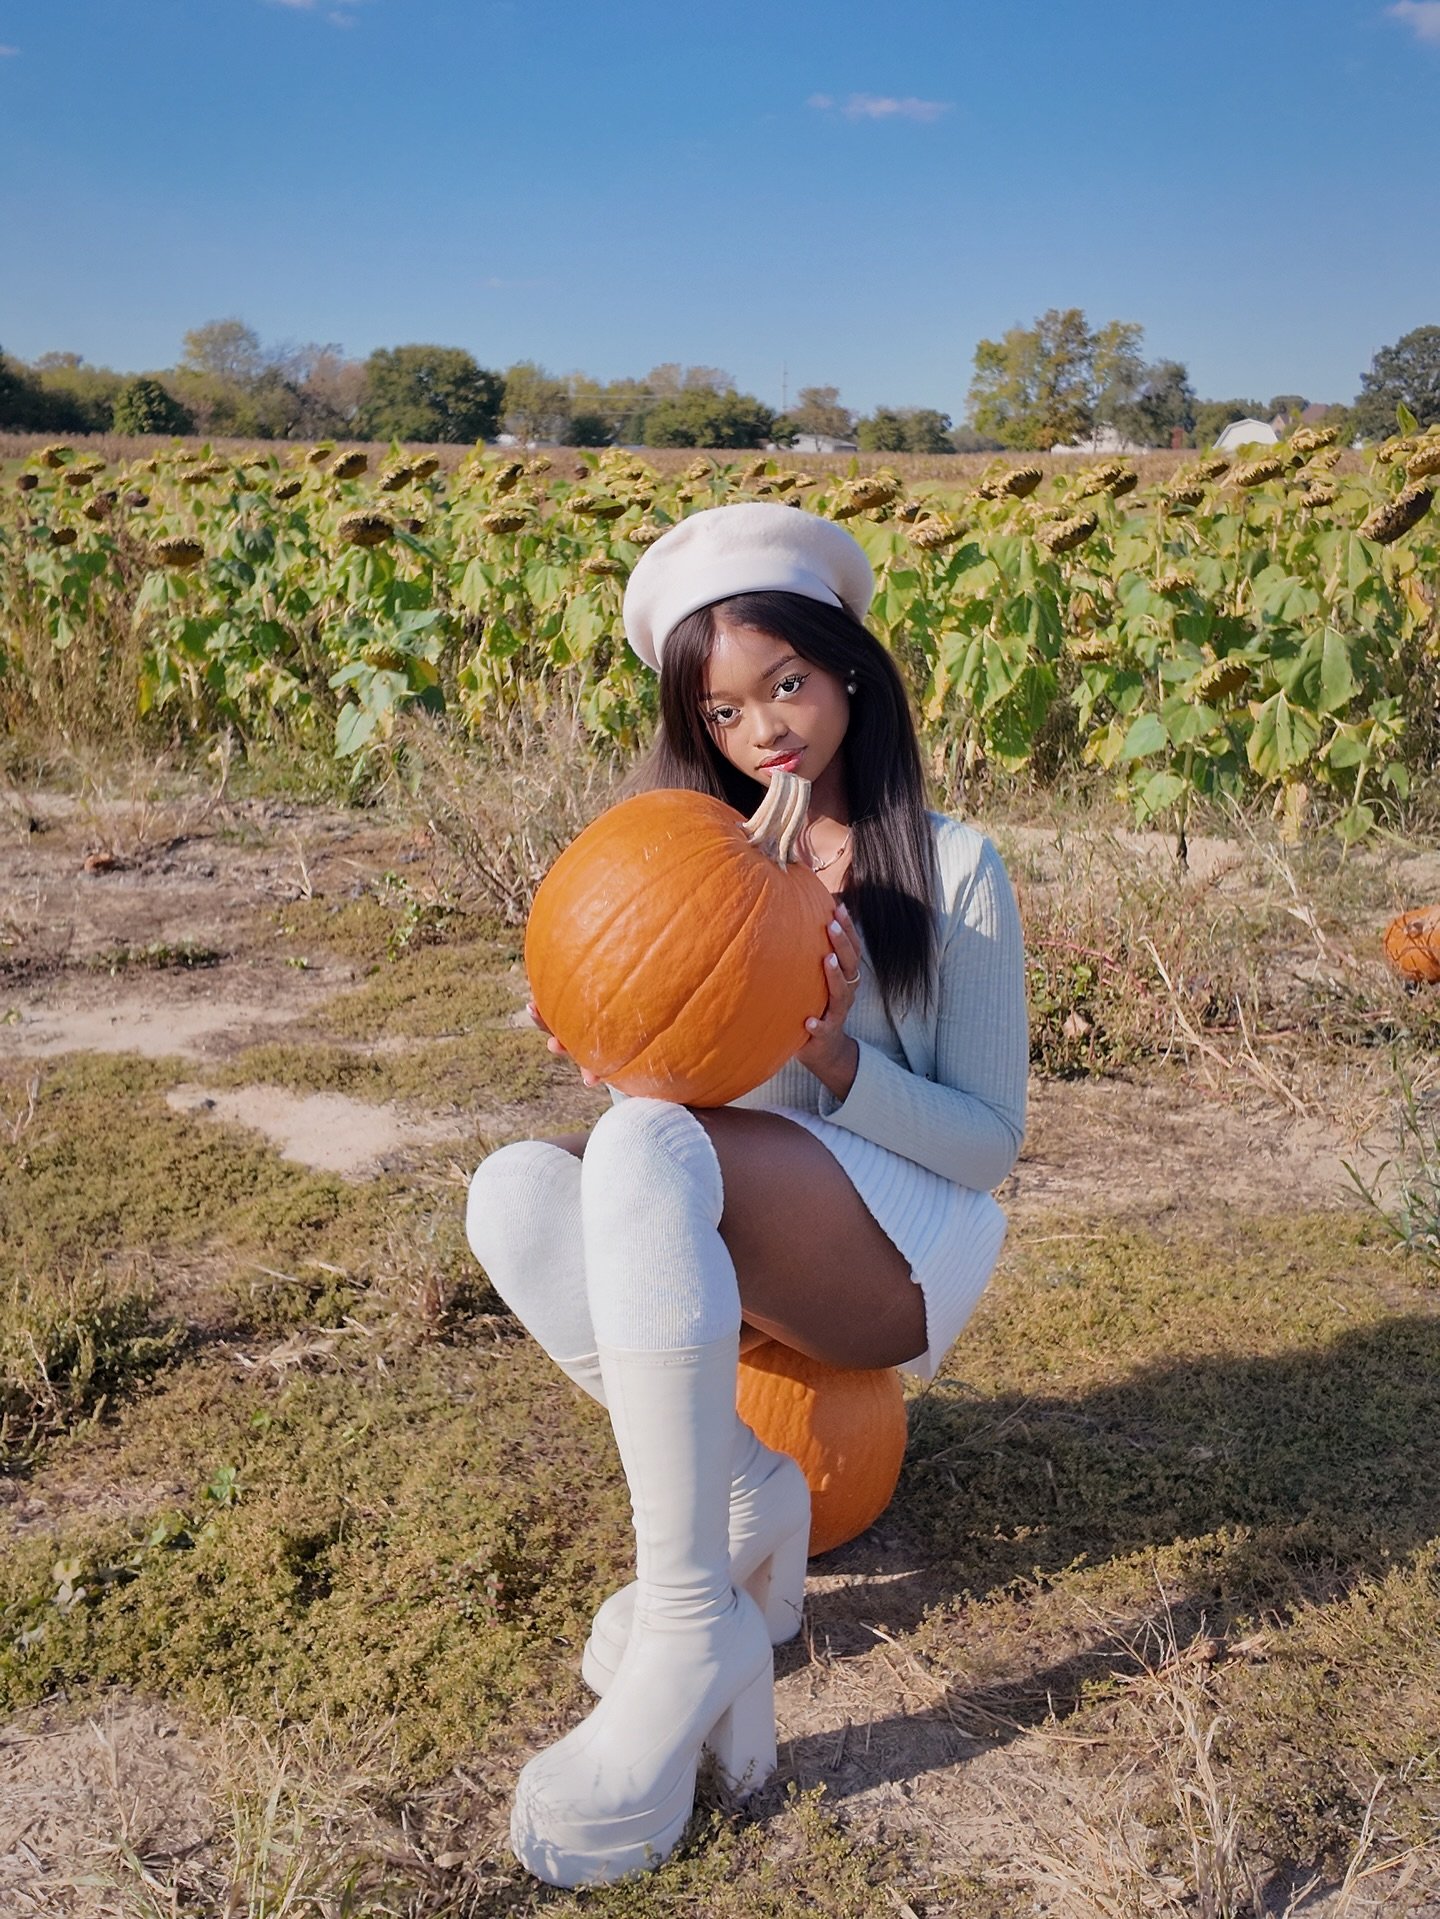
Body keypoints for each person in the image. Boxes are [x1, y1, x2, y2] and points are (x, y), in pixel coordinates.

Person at [465, 501, 1028, 1888]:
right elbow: (687, 1125)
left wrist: (835, 1056)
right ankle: (746, 1502)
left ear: (848, 675)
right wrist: (614, 1049)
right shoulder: (692, 869)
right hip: (744, 1211)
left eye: (788, 684)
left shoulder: (952, 869)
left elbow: (989, 1143)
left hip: (902, 1250)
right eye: (725, 713)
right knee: (517, 1190)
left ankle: (686, 1625)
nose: (766, 729)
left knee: (647, 1153)